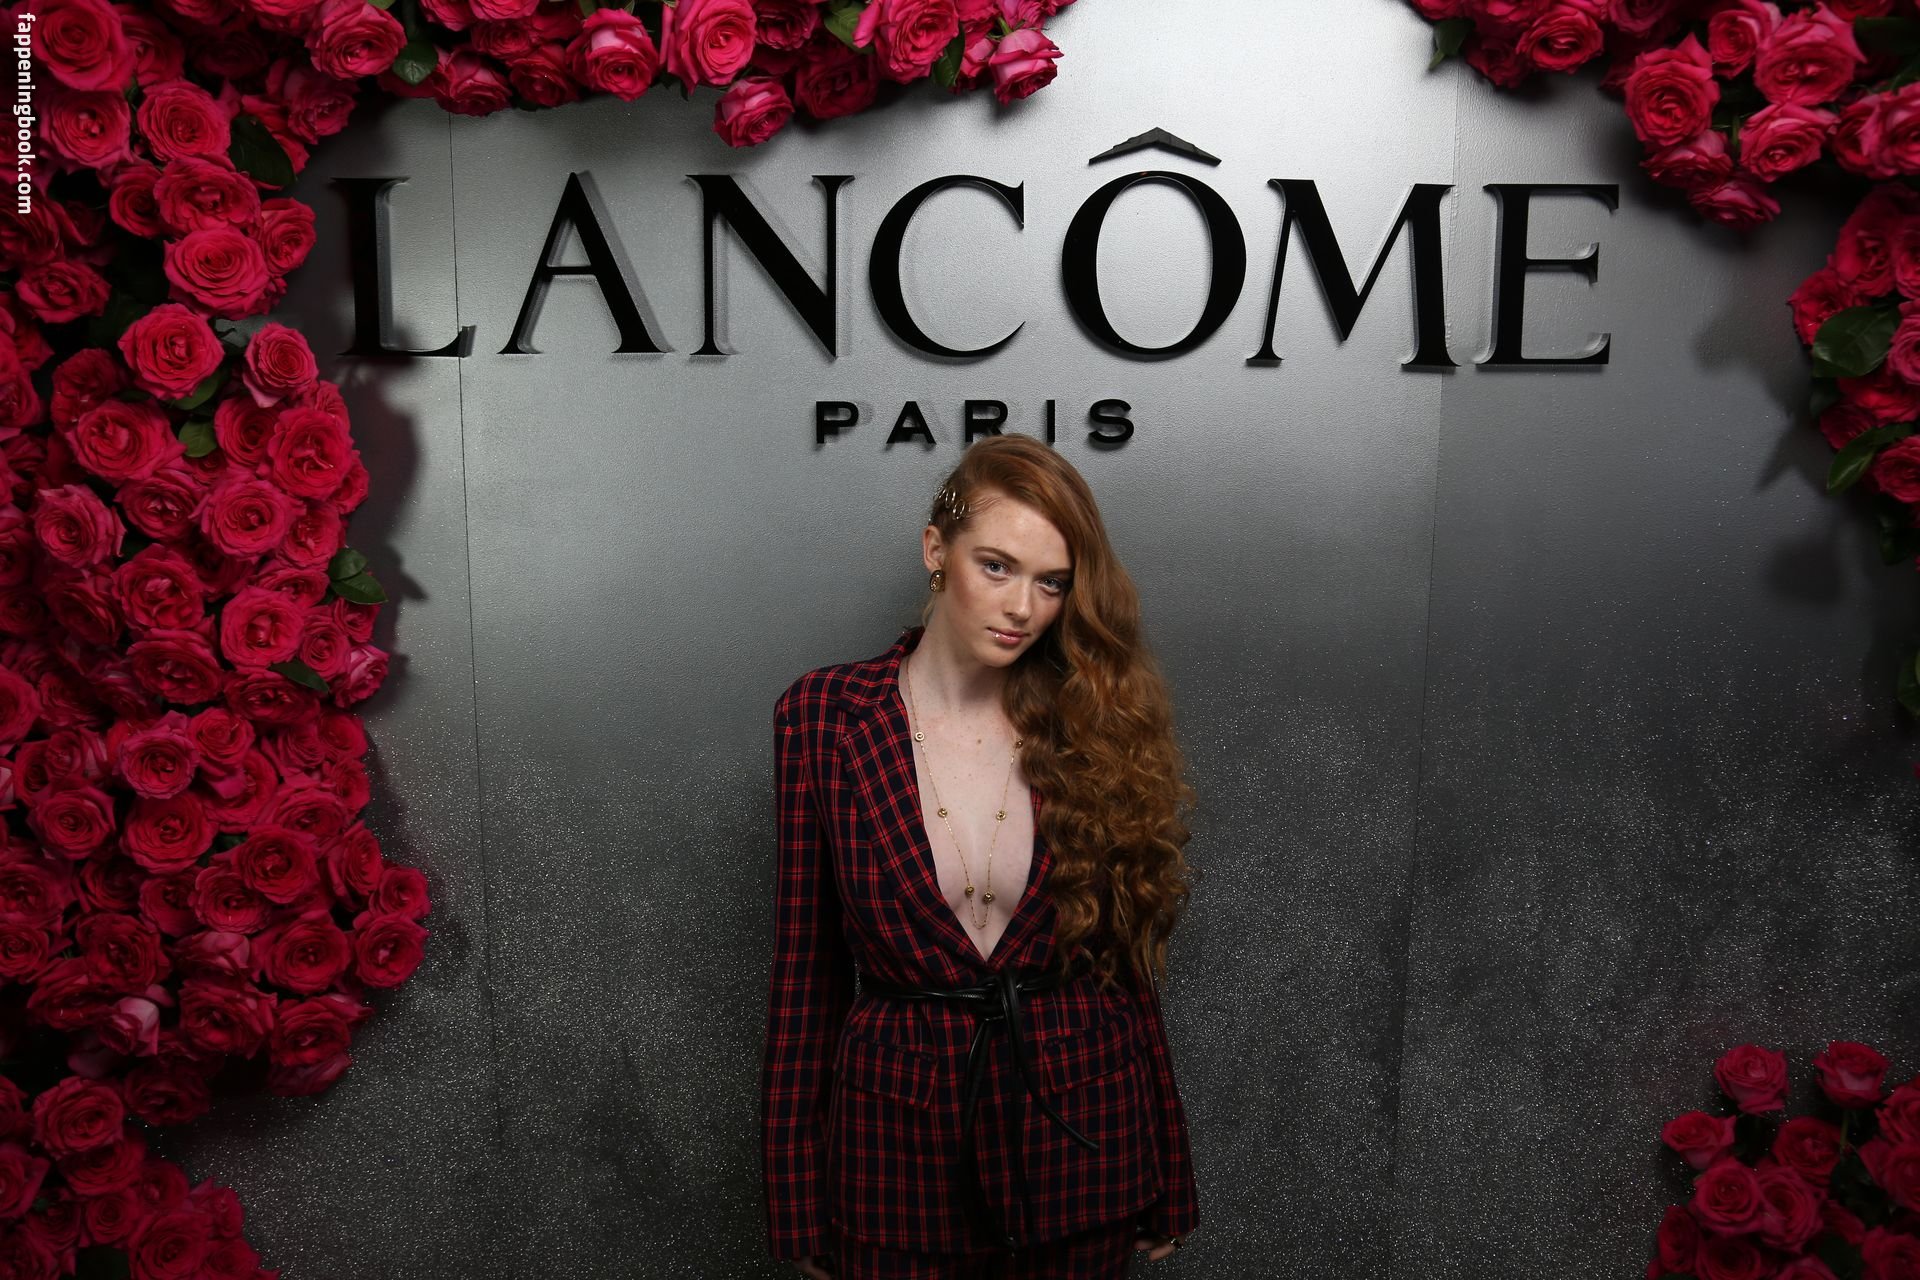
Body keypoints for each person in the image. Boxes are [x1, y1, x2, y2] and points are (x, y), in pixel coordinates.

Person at [761, 434, 1201, 1279]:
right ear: (937, 550)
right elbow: (806, 972)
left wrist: (1169, 1175)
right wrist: (796, 1202)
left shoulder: (1089, 721)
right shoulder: (823, 715)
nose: (1023, 607)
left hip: (1084, 1145)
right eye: (996, 566)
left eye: (1052, 582)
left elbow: (1125, 968)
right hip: (896, 1157)